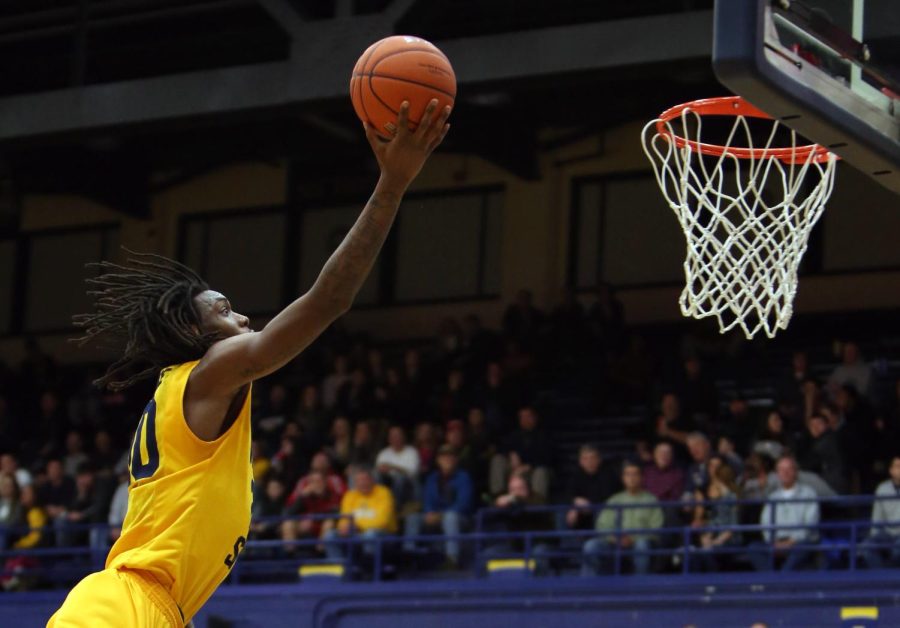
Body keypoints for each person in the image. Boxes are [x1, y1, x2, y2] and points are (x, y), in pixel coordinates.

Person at [47, 100, 451, 627]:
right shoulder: (210, 370)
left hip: (150, 609)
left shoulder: (193, 392)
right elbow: (328, 300)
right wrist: (392, 184)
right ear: (194, 332)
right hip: (125, 606)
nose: (242, 317)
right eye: (223, 310)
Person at [582, 461, 663, 576]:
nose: (632, 478)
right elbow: (602, 526)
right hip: (614, 543)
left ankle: (640, 586)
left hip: (638, 543)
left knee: (642, 545)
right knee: (590, 546)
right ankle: (589, 588)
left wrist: (633, 539)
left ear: (641, 478)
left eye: (635, 474)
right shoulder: (614, 500)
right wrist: (615, 538)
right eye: (628, 474)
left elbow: (656, 529)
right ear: (623, 478)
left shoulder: (651, 500)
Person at [404, 445, 474, 566]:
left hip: (459, 518)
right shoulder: (432, 478)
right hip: (435, 517)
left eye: (450, 456)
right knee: (413, 518)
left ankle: (452, 558)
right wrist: (429, 512)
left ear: (456, 460)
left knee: (450, 517)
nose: (446, 459)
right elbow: (427, 499)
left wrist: (441, 515)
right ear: (438, 460)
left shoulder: (463, 477)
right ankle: (408, 556)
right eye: (443, 457)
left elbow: (463, 504)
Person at [749, 456, 820, 571]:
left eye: (789, 469)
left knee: (804, 547)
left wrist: (791, 541)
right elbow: (765, 523)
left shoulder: (809, 493)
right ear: (777, 474)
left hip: (799, 542)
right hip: (776, 542)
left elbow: (811, 524)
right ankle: (772, 580)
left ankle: (782, 578)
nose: (785, 473)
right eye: (781, 470)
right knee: (754, 548)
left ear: (795, 472)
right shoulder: (772, 497)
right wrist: (774, 541)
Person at [323, 467, 397, 560]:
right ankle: (339, 569)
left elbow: (382, 521)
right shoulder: (350, 495)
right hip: (356, 533)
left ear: (372, 480)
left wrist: (357, 526)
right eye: (359, 480)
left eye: (365, 479)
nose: (363, 483)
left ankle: (370, 569)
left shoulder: (384, 493)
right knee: (330, 536)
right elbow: (343, 519)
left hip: (383, 535)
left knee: (370, 535)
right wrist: (346, 526)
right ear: (355, 483)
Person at [489, 406, 553, 502]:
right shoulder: (515, 435)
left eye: (528, 416)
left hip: (534, 471)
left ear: (535, 418)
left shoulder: (544, 435)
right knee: (497, 460)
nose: (525, 420)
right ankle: (498, 496)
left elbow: (548, 458)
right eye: (522, 417)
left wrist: (528, 466)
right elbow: (502, 448)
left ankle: (537, 503)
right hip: (515, 471)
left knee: (541, 471)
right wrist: (511, 454)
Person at [565, 444, 620, 530]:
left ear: (599, 460)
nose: (589, 462)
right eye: (585, 459)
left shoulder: (608, 474)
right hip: (582, 515)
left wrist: (588, 504)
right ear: (580, 462)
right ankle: (569, 542)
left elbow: (607, 498)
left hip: (603, 513)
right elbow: (569, 494)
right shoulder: (576, 475)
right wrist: (575, 502)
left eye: (592, 458)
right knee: (563, 513)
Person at [862, 456, 900, 568]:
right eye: (898, 466)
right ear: (891, 470)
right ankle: (880, 579)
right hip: (888, 533)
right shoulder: (882, 489)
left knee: (897, 551)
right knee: (867, 546)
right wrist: (874, 535)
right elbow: (877, 518)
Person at [375, 425, 421, 508]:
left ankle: (395, 506)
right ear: (389, 438)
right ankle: (379, 502)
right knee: (376, 475)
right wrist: (382, 469)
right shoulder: (383, 453)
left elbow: (413, 472)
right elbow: (379, 469)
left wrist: (393, 467)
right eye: (392, 436)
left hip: (408, 486)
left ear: (403, 437)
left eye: (398, 435)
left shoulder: (412, 452)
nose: (395, 438)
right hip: (388, 482)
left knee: (399, 478)